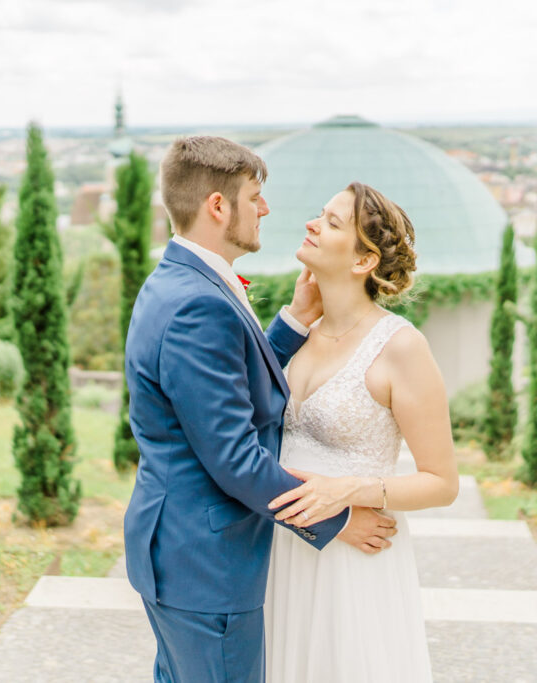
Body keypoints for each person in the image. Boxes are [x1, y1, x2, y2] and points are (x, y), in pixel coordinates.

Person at [122, 137, 398, 683]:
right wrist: (338, 519)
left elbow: (222, 392)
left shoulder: (179, 281)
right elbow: (234, 458)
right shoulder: (199, 303)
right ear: (217, 206)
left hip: (178, 551)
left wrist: (292, 322)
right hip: (208, 567)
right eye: (255, 196)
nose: (266, 209)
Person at [263, 182, 460, 682]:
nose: (312, 223)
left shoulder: (400, 347)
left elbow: (442, 482)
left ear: (362, 262)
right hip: (283, 553)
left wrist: (352, 490)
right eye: (319, 214)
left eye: (331, 222)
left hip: (355, 562)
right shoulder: (294, 333)